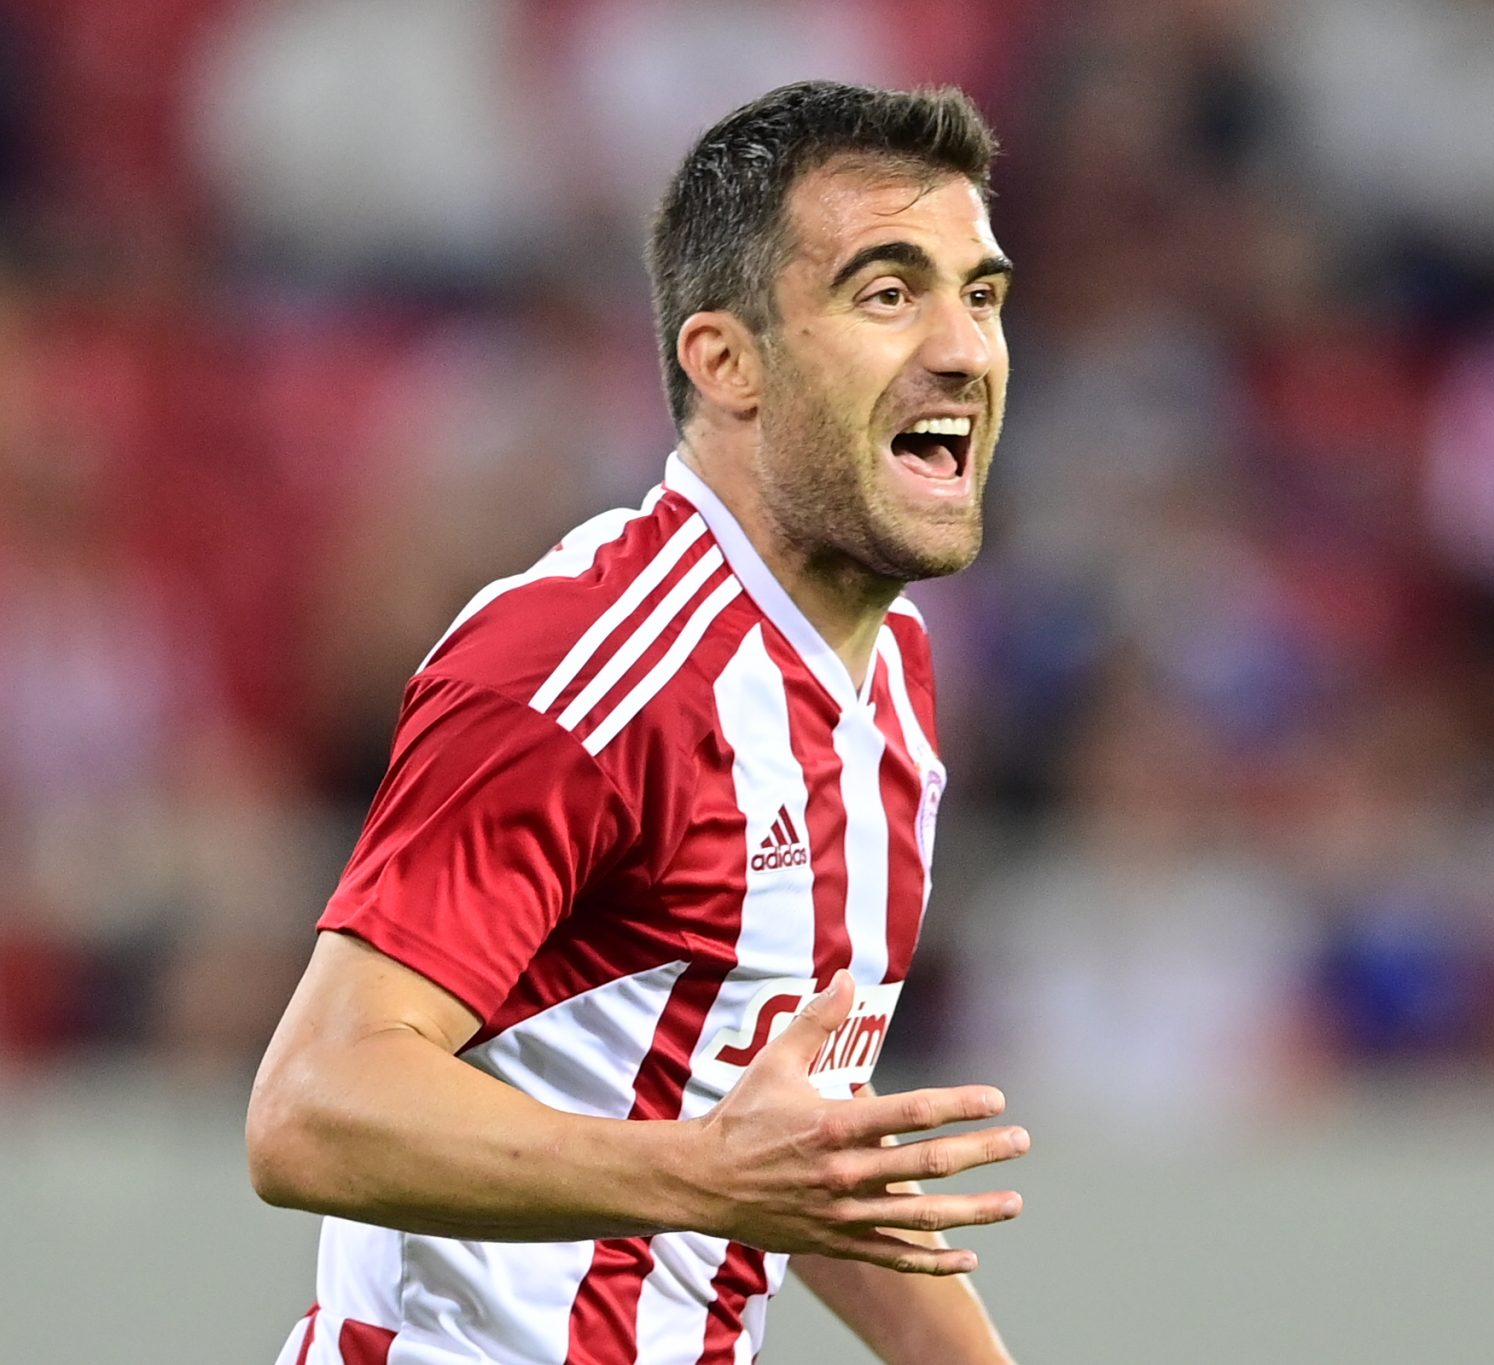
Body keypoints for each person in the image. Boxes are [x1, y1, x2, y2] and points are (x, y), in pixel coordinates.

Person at [247, 82, 1026, 1365]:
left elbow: (778, 1140)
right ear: (725, 362)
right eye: (888, 293)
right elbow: (312, 1108)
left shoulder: (890, 674)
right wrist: (705, 1173)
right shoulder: (577, 666)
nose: (962, 348)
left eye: (980, 295)